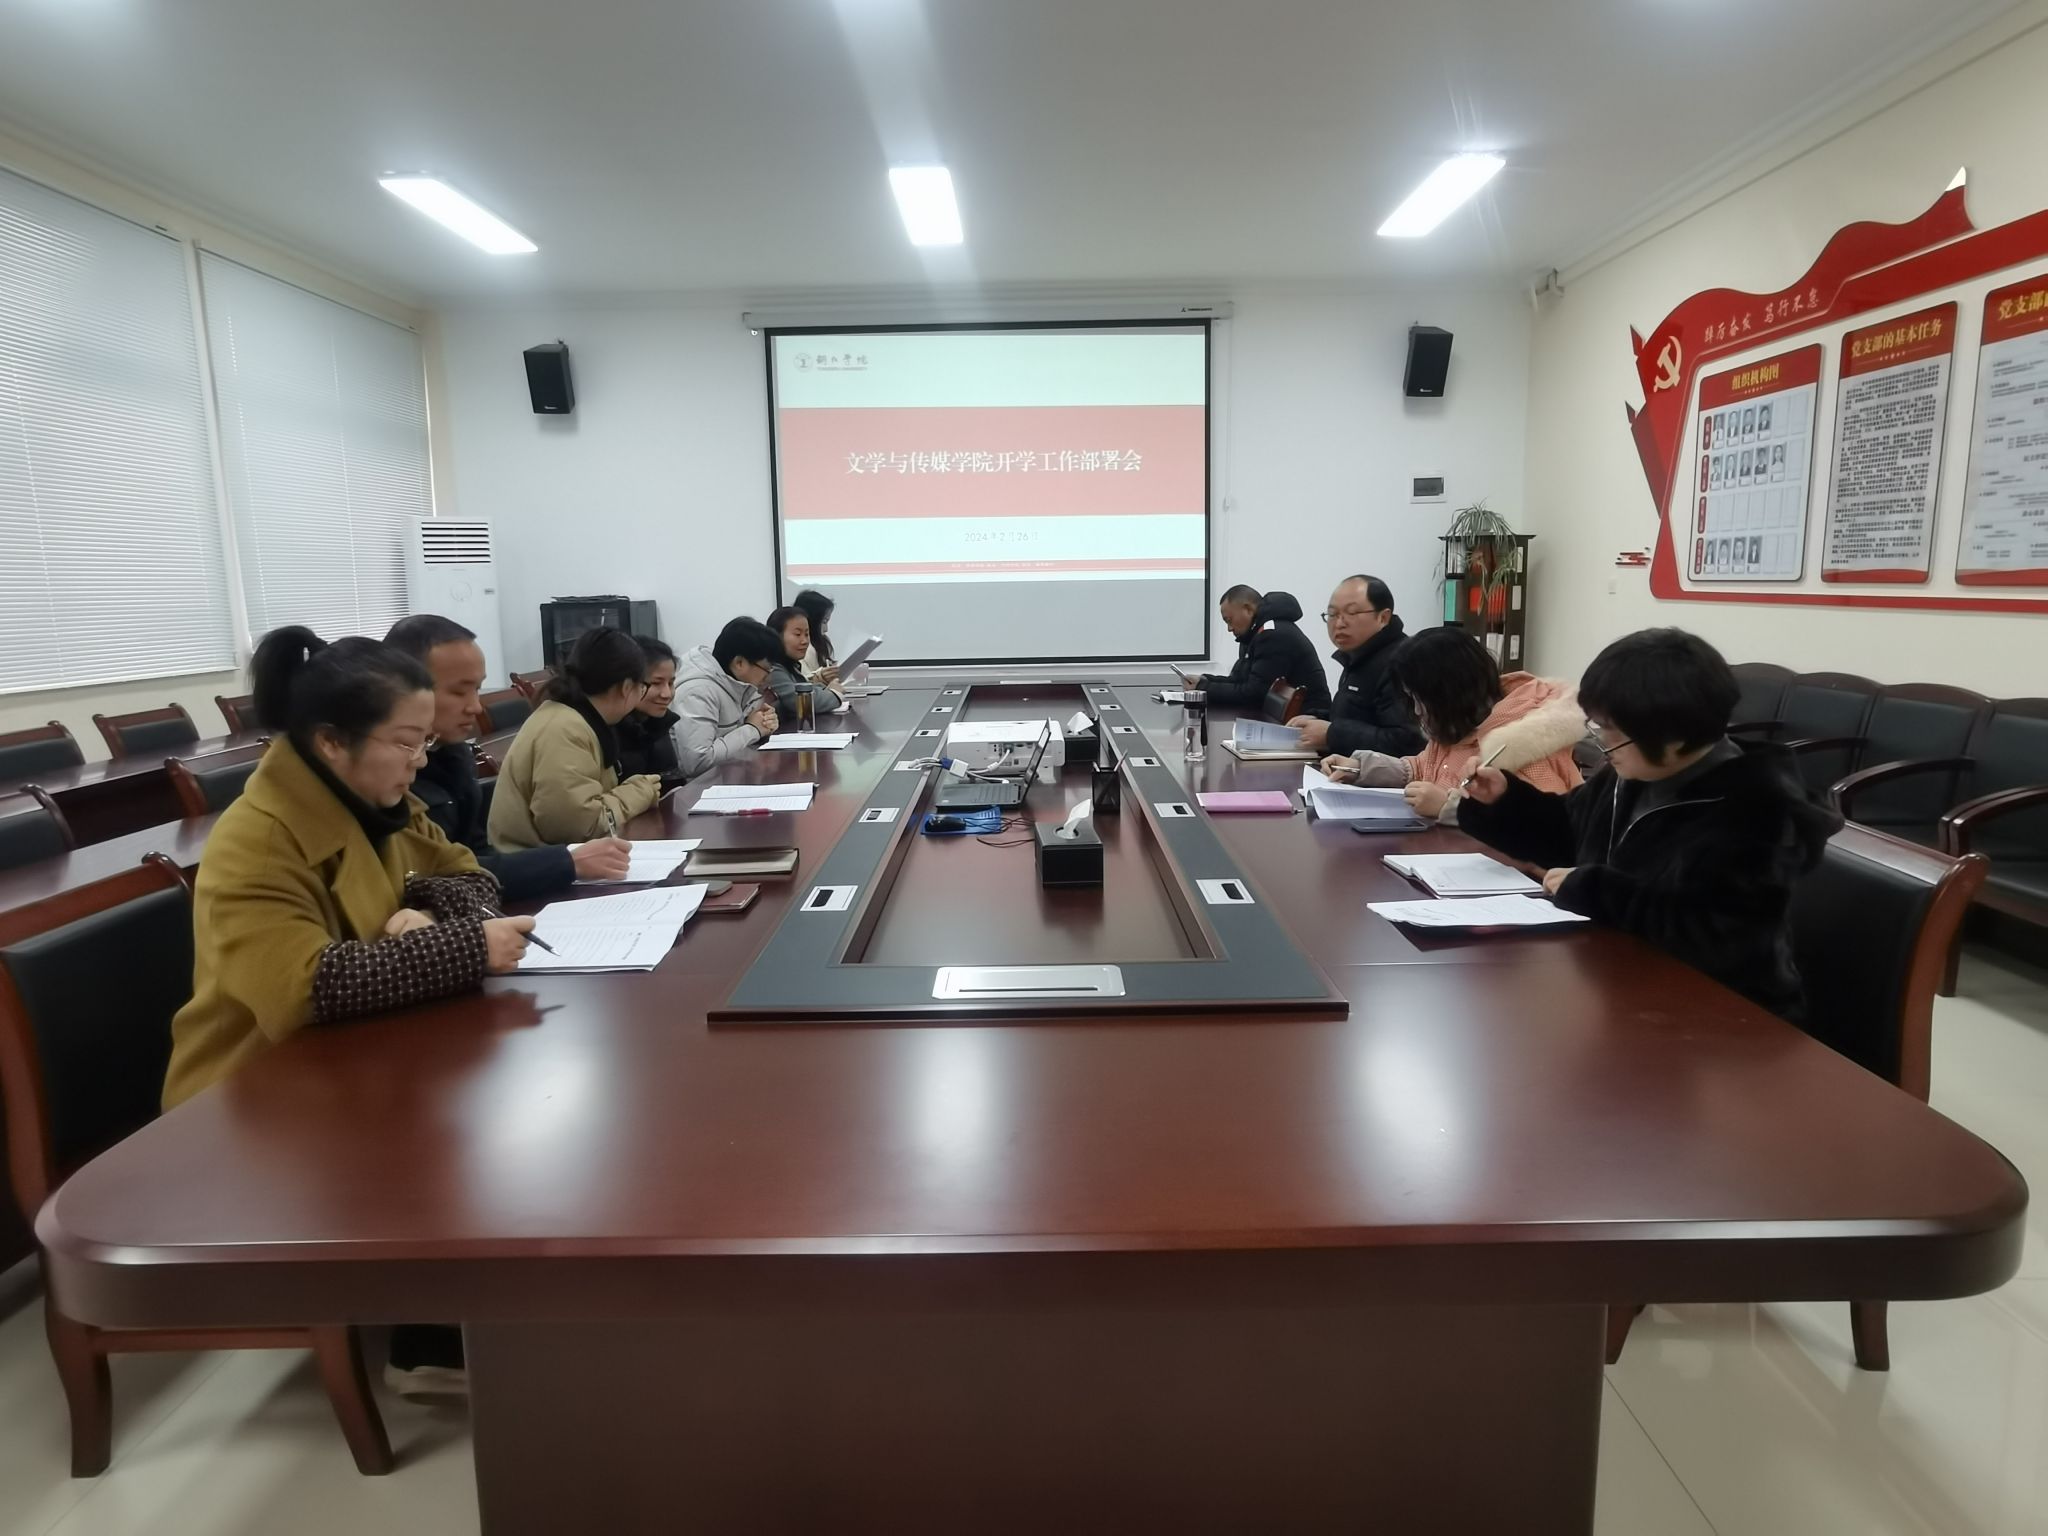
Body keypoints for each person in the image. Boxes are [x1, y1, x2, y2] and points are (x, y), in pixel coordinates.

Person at [163, 627, 534, 1110]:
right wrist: (468, 946)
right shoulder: (258, 841)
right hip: (250, 1094)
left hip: (368, 1060)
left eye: (425, 741)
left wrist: (430, 913)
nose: (420, 761)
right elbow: (305, 990)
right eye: (406, 743)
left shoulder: (383, 803)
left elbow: (475, 878)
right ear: (332, 741)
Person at [1457, 628, 1840, 1023]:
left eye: (1612, 732)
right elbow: (1570, 834)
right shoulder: (1632, 773)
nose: (1602, 743)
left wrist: (1596, 890)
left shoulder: (1758, 809)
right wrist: (1502, 801)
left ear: (1672, 736)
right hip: (1622, 987)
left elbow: (1715, 935)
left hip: (1726, 1017)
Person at [385, 615, 632, 896]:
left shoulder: (454, 755)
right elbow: (431, 875)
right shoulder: (388, 776)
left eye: (477, 689)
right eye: (458, 692)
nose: (476, 707)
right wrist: (565, 863)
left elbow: (473, 855)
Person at [1320, 627, 1582, 822]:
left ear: (1450, 694)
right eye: (1412, 698)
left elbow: (1543, 824)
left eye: (1420, 699)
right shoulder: (1457, 725)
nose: (1417, 711)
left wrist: (1448, 807)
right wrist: (1361, 768)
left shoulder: (1520, 744)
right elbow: (1422, 768)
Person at [488, 627, 663, 851]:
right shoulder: (565, 729)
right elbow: (578, 828)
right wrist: (640, 792)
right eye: (643, 687)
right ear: (626, 687)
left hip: (561, 859)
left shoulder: (579, 718)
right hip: (536, 865)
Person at [1296, 575, 1424, 757]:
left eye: (1352, 613)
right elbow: (1359, 716)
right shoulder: (1358, 655)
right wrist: (1318, 718)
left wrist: (1331, 734)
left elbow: (1407, 743)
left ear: (1383, 617)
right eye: (1332, 614)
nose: (1339, 624)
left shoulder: (1402, 663)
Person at [1183, 585, 1332, 715]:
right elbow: (1239, 681)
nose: (1229, 628)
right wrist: (1205, 680)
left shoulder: (1273, 635)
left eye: (1229, 620)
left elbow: (1254, 694)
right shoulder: (1253, 635)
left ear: (1248, 609)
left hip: (1310, 718)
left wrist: (1205, 688)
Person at [673, 617, 783, 776]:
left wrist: (765, 722)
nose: (770, 677)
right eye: (767, 669)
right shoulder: (698, 692)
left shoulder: (740, 684)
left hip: (731, 777)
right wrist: (752, 730)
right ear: (739, 663)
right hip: (696, 787)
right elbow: (697, 763)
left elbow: (746, 733)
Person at [616, 635, 684, 782]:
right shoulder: (609, 732)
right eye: (656, 683)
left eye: (671, 683)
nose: (667, 694)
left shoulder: (659, 724)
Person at [764, 605, 843, 726]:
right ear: (776, 636)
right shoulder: (772, 669)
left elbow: (806, 689)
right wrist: (835, 694)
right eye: (797, 634)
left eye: (807, 634)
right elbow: (800, 701)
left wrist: (823, 687)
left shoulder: (790, 665)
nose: (805, 641)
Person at [790, 588, 840, 685]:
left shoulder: (824, 643)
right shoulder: (801, 649)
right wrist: (820, 676)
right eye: (824, 622)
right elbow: (802, 682)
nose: (826, 629)